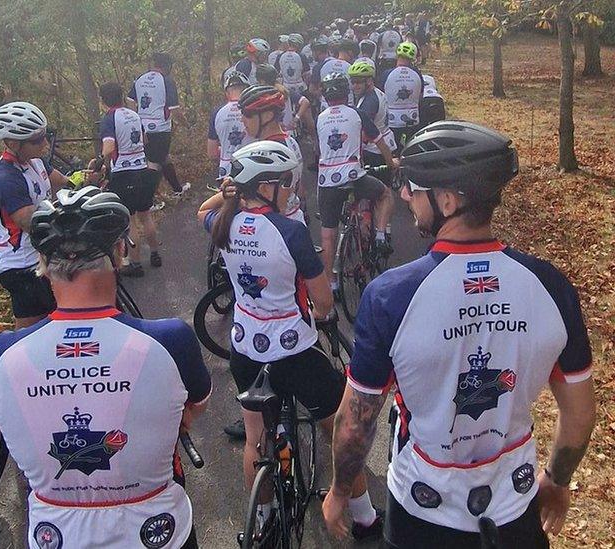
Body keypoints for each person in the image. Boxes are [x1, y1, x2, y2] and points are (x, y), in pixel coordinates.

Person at [322, 121, 596, 548]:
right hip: (514, 507)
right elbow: (579, 415)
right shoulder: (551, 287)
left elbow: (355, 425)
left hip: (422, 512)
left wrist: (340, 491)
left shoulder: (390, 297)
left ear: (448, 200)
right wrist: (557, 480)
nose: (407, 196)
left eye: (415, 187)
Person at [0, 186, 212, 548]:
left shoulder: (1, 353)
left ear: (41, 262)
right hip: (156, 528)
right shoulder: (172, 339)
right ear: (121, 250)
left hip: (56, 531)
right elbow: (194, 407)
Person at [197, 142, 382, 541]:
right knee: (341, 429)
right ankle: (365, 517)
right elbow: (324, 300)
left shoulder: (222, 222)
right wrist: (319, 313)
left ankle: (262, 518)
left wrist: (228, 192)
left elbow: (201, 211)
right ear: (266, 187)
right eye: (285, 182)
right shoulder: (290, 231)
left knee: (255, 440)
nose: (289, 189)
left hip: (246, 350)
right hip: (295, 352)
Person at [0, 101, 77, 329]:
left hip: (43, 254)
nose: (45, 143)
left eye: (45, 135)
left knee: (62, 317)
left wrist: (87, 179)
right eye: (37, 140)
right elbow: (32, 222)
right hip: (21, 264)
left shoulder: (35, 161)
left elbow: (64, 184)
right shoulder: (6, 178)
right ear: (12, 143)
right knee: (32, 327)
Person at [314, 73, 397, 289]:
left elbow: (319, 149)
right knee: (385, 194)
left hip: (326, 181)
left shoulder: (320, 118)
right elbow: (379, 143)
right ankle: (379, 235)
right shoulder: (357, 114)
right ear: (346, 93)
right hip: (354, 176)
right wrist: (391, 163)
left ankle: (331, 282)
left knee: (328, 234)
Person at [98, 81, 161, 277]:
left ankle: (135, 263)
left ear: (103, 100)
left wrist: (100, 161)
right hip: (142, 168)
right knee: (146, 214)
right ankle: (155, 253)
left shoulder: (109, 119)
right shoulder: (133, 114)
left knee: (130, 219)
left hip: (123, 173)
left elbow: (108, 149)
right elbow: (145, 140)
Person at [128, 52, 191, 199]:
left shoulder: (140, 78)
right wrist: (186, 124)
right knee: (154, 163)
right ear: (168, 66)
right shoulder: (167, 81)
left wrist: (137, 119)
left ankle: (177, 189)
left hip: (143, 127)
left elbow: (130, 100)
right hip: (160, 128)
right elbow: (174, 110)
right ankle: (148, 200)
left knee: (162, 157)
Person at [238, 85, 304, 221]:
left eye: (248, 115)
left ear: (268, 115)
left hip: (279, 226)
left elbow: (269, 203)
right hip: (293, 217)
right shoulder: (289, 141)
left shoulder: (270, 153)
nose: (242, 120)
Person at [350, 61, 398, 183]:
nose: (354, 86)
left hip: (374, 151)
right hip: (386, 142)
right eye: (353, 82)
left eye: (359, 82)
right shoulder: (376, 93)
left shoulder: (369, 103)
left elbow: (365, 132)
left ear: (369, 81)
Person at [381, 42, 424, 151]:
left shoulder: (387, 74)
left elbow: (380, 96)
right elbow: (420, 96)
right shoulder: (417, 74)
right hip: (413, 119)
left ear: (397, 56)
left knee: (394, 149)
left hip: (392, 121)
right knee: (411, 148)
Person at [208, 71, 251, 180]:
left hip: (226, 167)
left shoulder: (217, 113)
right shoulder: (254, 110)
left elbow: (211, 153)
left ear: (227, 93)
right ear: (247, 90)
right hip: (251, 164)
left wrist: (225, 149)